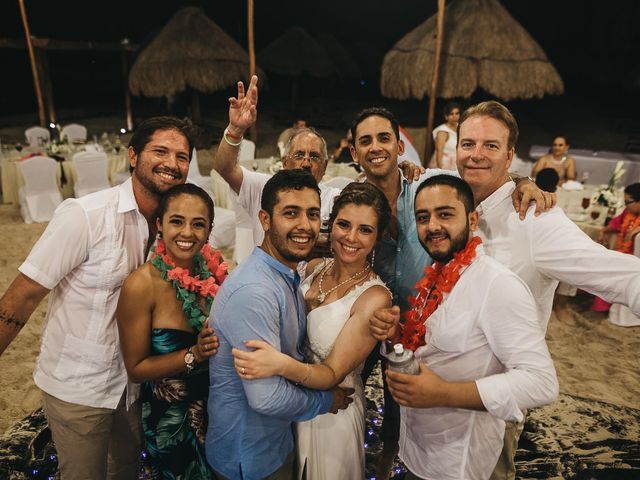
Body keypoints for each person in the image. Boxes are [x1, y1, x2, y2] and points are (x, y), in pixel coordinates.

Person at [346, 106, 552, 480]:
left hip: (466, 457)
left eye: (445, 215)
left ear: (399, 145)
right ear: (353, 152)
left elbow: (481, 175)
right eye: (423, 218)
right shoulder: (348, 199)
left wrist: (523, 182)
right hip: (395, 339)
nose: (432, 225)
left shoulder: (428, 185)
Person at [0, 116, 196, 479]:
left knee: (124, 470)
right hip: (79, 386)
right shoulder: (85, 216)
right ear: (133, 156)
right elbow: (24, 295)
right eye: (161, 151)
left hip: (132, 388)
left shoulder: (173, 228)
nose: (172, 163)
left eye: (182, 156)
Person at [453, 101, 640, 479]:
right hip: (435, 394)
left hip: (493, 402)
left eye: (490, 146)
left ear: (509, 157)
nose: (476, 155)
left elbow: (615, 273)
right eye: (467, 143)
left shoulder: (535, 219)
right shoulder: (447, 202)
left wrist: (525, 185)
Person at [231, 182, 393, 480]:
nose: (351, 238)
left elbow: (332, 374)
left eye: (365, 230)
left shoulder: (375, 298)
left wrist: (279, 364)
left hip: (333, 412)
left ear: (378, 237)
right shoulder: (314, 266)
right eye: (344, 225)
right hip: (291, 405)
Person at [206, 169, 354, 480]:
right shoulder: (255, 291)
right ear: (265, 219)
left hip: (273, 442)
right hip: (249, 456)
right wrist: (328, 401)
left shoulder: (284, 272)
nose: (305, 225)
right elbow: (266, 397)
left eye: (313, 214)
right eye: (291, 213)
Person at [117, 183, 226, 479]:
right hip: (171, 420)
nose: (187, 233)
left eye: (198, 224)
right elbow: (136, 369)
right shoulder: (141, 285)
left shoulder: (217, 275)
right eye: (177, 221)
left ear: (209, 229)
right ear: (159, 225)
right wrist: (193, 354)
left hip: (217, 412)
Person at [592, 182, 640, 311]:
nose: (625, 206)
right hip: (623, 253)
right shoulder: (627, 212)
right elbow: (616, 223)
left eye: (628, 202)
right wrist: (604, 231)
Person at [429, 102, 461, 170]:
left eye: (457, 113)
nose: (455, 116)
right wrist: (440, 170)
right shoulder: (443, 131)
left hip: (456, 164)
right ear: (446, 117)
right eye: (451, 114)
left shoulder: (461, 128)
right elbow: (439, 151)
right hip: (444, 164)